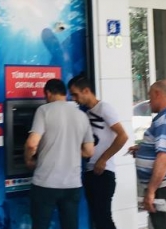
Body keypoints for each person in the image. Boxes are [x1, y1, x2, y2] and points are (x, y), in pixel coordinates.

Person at [25, 78, 95, 229]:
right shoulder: (81, 116)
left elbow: (32, 143)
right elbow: (89, 151)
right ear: (65, 94)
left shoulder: (44, 110)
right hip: (72, 184)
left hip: (45, 183)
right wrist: (70, 150)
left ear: (48, 93)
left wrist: (29, 160)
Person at [68, 75, 128, 229]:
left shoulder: (104, 108)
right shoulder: (86, 114)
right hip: (90, 171)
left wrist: (103, 159)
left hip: (104, 172)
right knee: (97, 218)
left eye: (75, 94)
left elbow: (122, 136)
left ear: (86, 91)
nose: (74, 99)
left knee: (103, 218)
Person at [128, 80, 166, 229]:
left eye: (150, 96)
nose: (149, 101)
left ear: (157, 94)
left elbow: (164, 158)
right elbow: (165, 150)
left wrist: (151, 191)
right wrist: (143, 150)